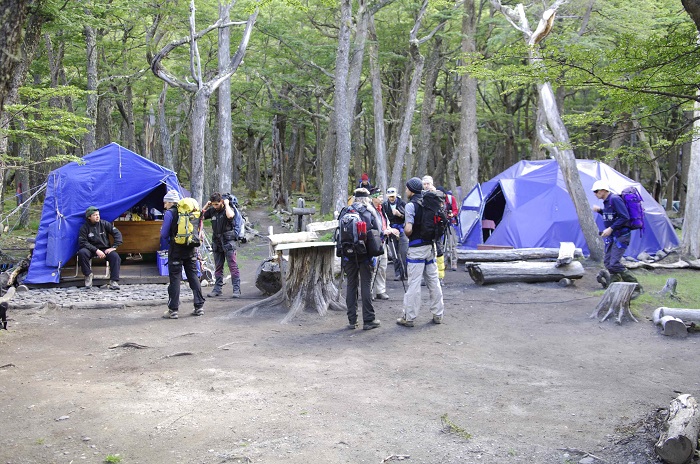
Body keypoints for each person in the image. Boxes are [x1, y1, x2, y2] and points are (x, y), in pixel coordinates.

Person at [397, 177, 444, 327]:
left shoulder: (411, 206)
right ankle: (438, 314)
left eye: (407, 188)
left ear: (411, 190)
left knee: (414, 284)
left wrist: (402, 231)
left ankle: (409, 317)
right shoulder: (428, 202)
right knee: (433, 282)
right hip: (431, 247)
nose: (406, 191)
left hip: (416, 249)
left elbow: (409, 230)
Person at [340, 188, 381, 330]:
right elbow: (377, 232)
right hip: (365, 255)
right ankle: (369, 320)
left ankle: (352, 320)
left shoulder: (345, 211)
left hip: (348, 255)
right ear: (367, 198)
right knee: (366, 285)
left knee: (351, 285)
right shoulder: (369, 212)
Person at [160, 189, 205, 319]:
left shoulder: (170, 213)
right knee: (193, 276)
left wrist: (167, 234)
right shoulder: (190, 212)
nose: (164, 205)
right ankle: (199, 307)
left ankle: (173, 310)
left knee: (175, 279)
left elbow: (163, 235)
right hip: (190, 248)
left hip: (176, 250)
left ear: (170, 202)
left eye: (165, 203)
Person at [591, 180, 642, 296]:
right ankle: (613, 287)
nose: (595, 194)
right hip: (613, 236)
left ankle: (637, 287)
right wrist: (600, 211)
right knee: (608, 262)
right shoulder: (606, 202)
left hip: (621, 235)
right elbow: (612, 215)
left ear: (603, 190)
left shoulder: (614, 199)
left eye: (596, 191)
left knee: (614, 263)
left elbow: (624, 217)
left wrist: (611, 229)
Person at [202, 192, 242, 298]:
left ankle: (236, 289)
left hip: (229, 242)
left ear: (221, 202)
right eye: (213, 204)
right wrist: (207, 205)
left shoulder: (228, 209)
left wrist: (227, 204)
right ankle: (217, 289)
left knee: (232, 266)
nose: (215, 206)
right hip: (217, 242)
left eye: (217, 204)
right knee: (218, 267)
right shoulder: (212, 211)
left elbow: (230, 216)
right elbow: (200, 216)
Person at [78, 206, 122, 290]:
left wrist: (114, 247)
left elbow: (117, 234)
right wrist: (96, 250)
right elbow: (83, 242)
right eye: (94, 215)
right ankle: (88, 275)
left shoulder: (104, 223)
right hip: (90, 250)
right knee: (82, 253)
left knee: (115, 257)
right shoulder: (84, 228)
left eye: (98, 214)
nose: (97, 216)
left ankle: (114, 281)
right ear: (89, 217)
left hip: (105, 248)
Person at [370, 188, 399, 300]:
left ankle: (380, 290)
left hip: (383, 242)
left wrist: (390, 229)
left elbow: (384, 222)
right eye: (380, 196)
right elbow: (372, 226)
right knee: (373, 266)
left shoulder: (382, 209)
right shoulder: (370, 210)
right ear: (373, 198)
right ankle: (369, 290)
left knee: (382, 266)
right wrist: (383, 232)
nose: (382, 198)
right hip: (374, 242)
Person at [422, 175, 445, 284]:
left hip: (436, 227)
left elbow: (442, 201)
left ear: (432, 184)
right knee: (424, 253)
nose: (426, 186)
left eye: (428, 184)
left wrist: (434, 192)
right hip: (425, 228)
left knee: (439, 252)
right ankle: (424, 277)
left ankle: (440, 277)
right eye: (424, 184)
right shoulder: (420, 195)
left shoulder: (438, 194)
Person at [383, 187, 408, 281]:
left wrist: (399, 214)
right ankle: (398, 273)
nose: (391, 198)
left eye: (393, 196)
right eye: (390, 197)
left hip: (402, 229)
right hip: (391, 230)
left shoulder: (402, 203)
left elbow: (407, 217)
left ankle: (407, 273)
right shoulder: (385, 205)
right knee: (394, 254)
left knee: (404, 252)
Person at [439, 186, 459, 272]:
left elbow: (455, 210)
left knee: (452, 243)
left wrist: (452, 215)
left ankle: (454, 262)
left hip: (450, 222)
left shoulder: (451, 199)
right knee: (441, 244)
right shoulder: (436, 200)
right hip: (440, 223)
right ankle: (443, 262)